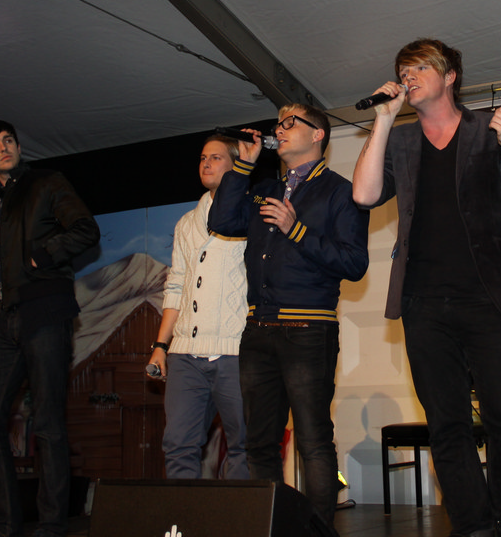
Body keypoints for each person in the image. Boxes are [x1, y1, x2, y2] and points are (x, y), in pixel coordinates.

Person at [352, 38, 501, 537]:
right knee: (447, 423)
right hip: (423, 303)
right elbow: (365, 194)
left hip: (489, 298)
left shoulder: (486, 130)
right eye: (403, 71)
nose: (409, 77)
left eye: (419, 68)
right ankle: (473, 525)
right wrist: (383, 120)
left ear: (450, 75)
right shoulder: (401, 140)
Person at [208, 103, 369, 528]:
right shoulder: (265, 188)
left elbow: (354, 263)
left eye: (289, 122)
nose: (279, 129)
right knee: (259, 443)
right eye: (277, 123)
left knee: (313, 442)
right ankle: (274, 528)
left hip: (308, 329)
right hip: (258, 328)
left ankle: (317, 530)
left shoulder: (340, 191)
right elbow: (221, 221)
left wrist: (295, 229)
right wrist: (243, 166)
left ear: (318, 134)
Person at [0, 120, 100, 537]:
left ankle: (51, 525)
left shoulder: (46, 182)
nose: (3, 148)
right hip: (4, 320)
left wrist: (44, 254)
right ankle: (5, 525)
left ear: (18, 146)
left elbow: (86, 229)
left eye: (9, 141)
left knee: (48, 422)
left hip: (45, 309)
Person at [146, 135, 249, 479]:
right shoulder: (186, 223)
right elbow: (175, 285)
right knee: (178, 444)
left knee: (244, 445)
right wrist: (161, 346)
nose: (206, 163)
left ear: (236, 165)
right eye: (203, 157)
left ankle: (243, 512)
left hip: (235, 350)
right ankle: (184, 511)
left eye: (216, 157)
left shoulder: (251, 213)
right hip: (185, 353)